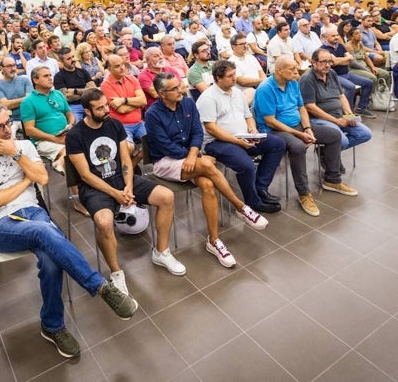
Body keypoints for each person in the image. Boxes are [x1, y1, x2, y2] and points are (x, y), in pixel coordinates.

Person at [0, 102, 138, 358]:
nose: (7, 130)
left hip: (33, 212)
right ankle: (100, 287)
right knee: (44, 232)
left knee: (50, 260)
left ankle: (52, 326)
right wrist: (26, 179)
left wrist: (17, 155)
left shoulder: (24, 147)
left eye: (8, 123)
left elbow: (44, 178)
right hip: (0, 225)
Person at [66, 89, 186, 296]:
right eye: (100, 108)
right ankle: (116, 272)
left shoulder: (114, 124)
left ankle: (161, 252)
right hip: (95, 187)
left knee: (166, 197)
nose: (106, 110)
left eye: (106, 105)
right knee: (104, 223)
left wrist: (128, 186)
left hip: (121, 180)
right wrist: (115, 193)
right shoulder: (75, 136)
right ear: (86, 111)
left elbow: (124, 160)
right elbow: (85, 175)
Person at [145, 72, 268, 268]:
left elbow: (196, 133)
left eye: (180, 85)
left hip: (191, 158)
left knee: (209, 185)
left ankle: (214, 241)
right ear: (162, 93)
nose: (181, 89)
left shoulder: (187, 103)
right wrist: (196, 157)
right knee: (206, 165)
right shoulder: (152, 114)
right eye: (175, 88)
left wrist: (194, 154)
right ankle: (241, 207)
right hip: (166, 162)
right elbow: (165, 146)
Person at [255, 57, 357, 217]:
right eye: (292, 69)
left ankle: (332, 179)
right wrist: (299, 134)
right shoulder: (265, 88)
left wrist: (308, 128)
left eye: (296, 68)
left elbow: (302, 108)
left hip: (298, 126)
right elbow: (271, 121)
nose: (297, 72)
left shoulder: (293, 83)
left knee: (334, 135)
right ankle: (304, 193)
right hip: (274, 130)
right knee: (297, 146)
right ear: (279, 70)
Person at [196, 60, 285, 213]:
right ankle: (253, 202)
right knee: (246, 165)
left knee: (278, 144)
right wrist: (238, 141)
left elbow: (248, 115)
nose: (234, 78)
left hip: (242, 137)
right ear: (218, 78)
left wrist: (252, 129)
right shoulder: (208, 98)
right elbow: (211, 129)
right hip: (217, 142)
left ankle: (260, 187)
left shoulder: (237, 92)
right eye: (230, 76)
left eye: (234, 74)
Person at [300, 48, 373, 151]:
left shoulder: (331, 73)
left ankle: (326, 152)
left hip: (339, 116)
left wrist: (349, 116)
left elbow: (341, 96)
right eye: (323, 62)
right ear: (314, 62)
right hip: (318, 120)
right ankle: (330, 152)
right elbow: (310, 107)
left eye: (329, 61)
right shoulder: (307, 79)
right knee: (342, 141)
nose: (327, 65)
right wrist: (336, 121)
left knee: (365, 134)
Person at [20, 66, 75, 174]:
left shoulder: (58, 94)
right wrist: (55, 139)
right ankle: (59, 163)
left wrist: (71, 125)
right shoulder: (28, 101)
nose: (50, 78)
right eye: (46, 76)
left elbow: (70, 114)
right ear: (35, 80)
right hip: (44, 141)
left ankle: (60, 163)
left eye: (50, 75)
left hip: (65, 134)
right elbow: (29, 130)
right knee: (71, 150)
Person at [99, 54, 147, 158]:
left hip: (139, 123)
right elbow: (122, 110)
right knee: (128, 147)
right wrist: (137, 104)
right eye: (117, 66)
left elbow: (143, 100)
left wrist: (124, 100)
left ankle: (133, 164)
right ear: (109, 69)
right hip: (121, 125)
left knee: (155, 141)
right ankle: (129, 167)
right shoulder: (105, 85)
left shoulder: (132, 79)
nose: (122, 68)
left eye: (122, 64)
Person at [53, 47, 95, 122]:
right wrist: (86, 91)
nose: (73, 60)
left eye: (73, 57)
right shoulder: (58, 77)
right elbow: (67, 97)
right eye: (69, 59)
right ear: (62, 62)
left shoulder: (83, 72)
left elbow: (93, 90)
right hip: (73, 106)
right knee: (76, 123)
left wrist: (74, 91)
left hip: (89, 103)